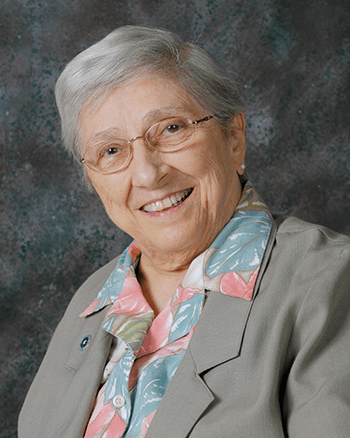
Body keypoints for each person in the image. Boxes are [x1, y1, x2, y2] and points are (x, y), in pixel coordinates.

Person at [18, 26, 350, 438]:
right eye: (111, 151)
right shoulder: (92, 301)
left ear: (233, 138)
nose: (147, 174)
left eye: (171, 128)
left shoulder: (329, 279)